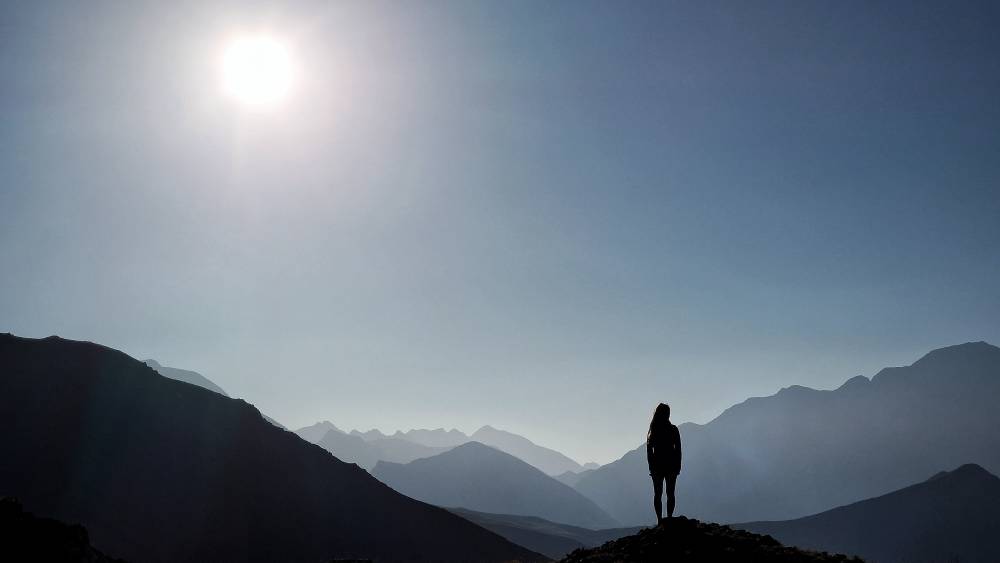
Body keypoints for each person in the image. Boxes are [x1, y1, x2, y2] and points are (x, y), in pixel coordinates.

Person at [646, 402, 681, 523]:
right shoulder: (673, 429)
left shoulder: (653, 431)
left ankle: (660, 520)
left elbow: (649, 451)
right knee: (670, 493)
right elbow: (678, 449)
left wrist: (651, 467)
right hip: (671, 465)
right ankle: (669, 518)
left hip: (657, 466)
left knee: (658, 494)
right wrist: (678, 466)